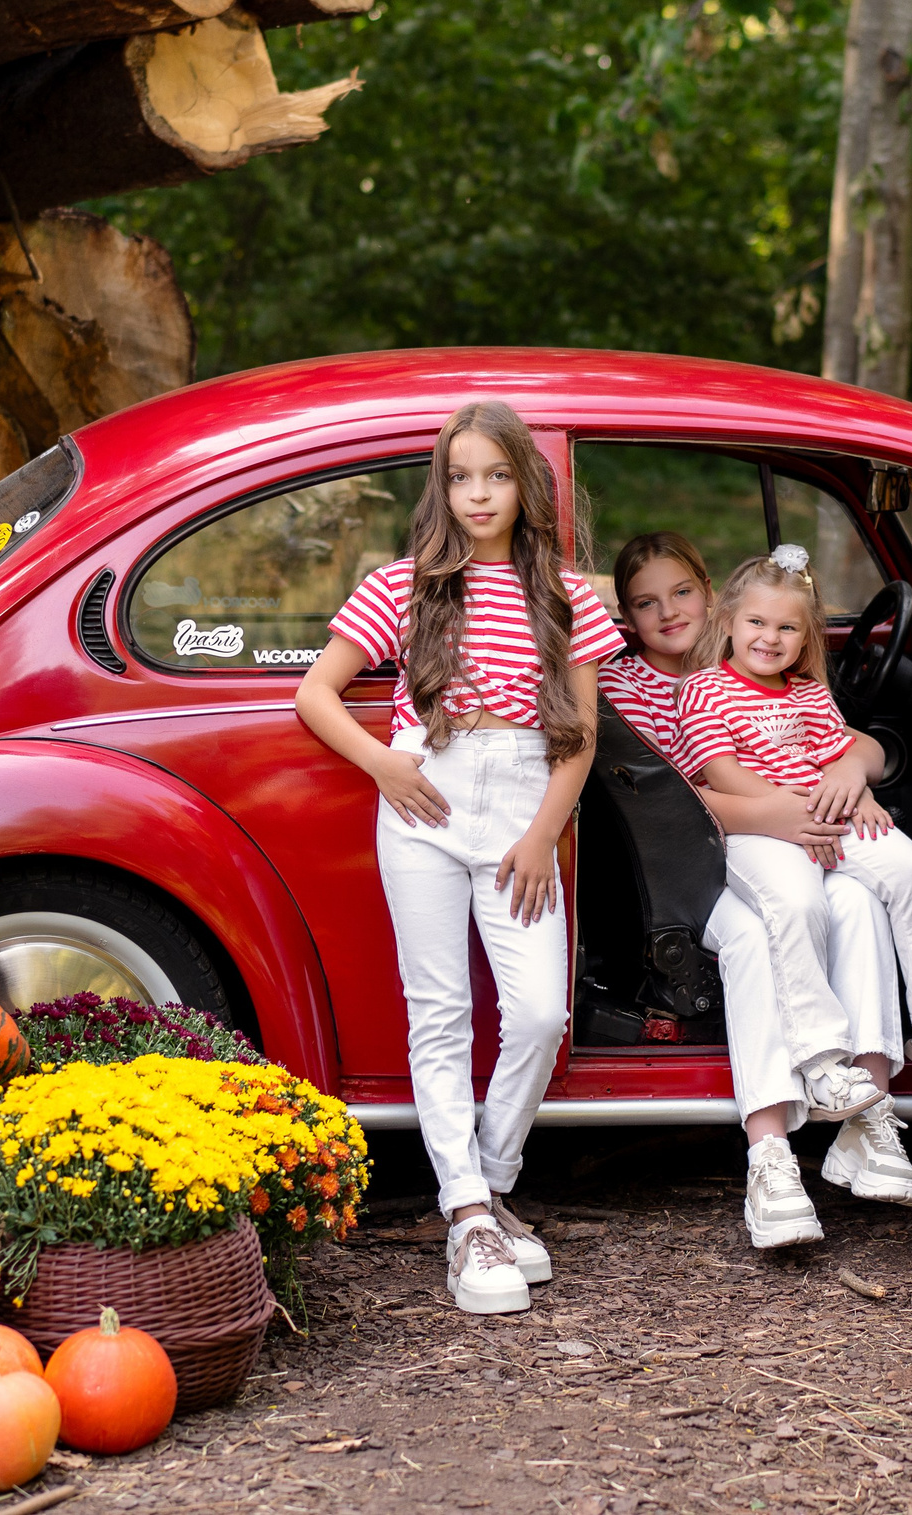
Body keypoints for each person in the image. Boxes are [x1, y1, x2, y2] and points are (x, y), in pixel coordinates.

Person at [295, 402, 627, 1316]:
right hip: (426, 801)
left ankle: (485, 1180)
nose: (478, 494)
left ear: (527, 483)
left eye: (497, 475)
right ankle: (472, 1216)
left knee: (536, 1014)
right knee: (439, 1011)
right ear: (441, 487)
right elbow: (316, 694)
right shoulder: (403, 583)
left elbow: (583, 738)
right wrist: (382, 765)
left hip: (523, 804)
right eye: (460, 476)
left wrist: (540, 836)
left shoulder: (565, 593)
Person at [602, 533, 912, 1244]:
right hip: (697, 867)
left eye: (682, 592)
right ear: (626, 616)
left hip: (792, 841)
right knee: (751, 936)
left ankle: (869, 1111)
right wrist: (784, 813)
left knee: (860, 899)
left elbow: (848, 743)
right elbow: (658, 799)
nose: (669, 612)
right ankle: (770, 1149)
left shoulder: (764, 667)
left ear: (712, 595)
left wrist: (853, 771)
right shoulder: (625, 685)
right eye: (646, 603)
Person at [676, 545, 912, 1113]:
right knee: (798, 905)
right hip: (760, 832)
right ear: (729, 623)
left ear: (806, 636)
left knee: (911, 870)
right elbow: (721, 772)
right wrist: (793, 815)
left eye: (787, 627)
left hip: (827, 819)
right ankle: (819, 1059)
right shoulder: (704, 689)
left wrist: (855, 791)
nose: (770, 638)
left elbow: (842, 755)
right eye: (757, 623)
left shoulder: (808, 692)